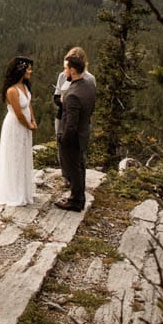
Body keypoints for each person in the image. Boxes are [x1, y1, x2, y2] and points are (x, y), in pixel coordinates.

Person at [0, 55, 38, 207]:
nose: (30, 71)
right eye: (28, 69)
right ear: (21, 71)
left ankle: (23, 190)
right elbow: (18, 114)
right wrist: (28, 124)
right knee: (14, 156)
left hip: (25, 125)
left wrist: (33, 119)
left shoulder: (24, 86)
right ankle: (14, 192)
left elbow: (28, 105)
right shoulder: (12, 91)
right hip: (15, 126)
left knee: (23, 155)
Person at [55, 51, 96, 211]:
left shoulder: (72, 95)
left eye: (66, 69)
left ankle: (76, 201)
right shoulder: (89, 85)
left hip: (73, 138)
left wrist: (63, 139)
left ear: (72, 70)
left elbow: (71, 124)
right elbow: (91, 107)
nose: (64, 72)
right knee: (80, 167)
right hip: (84, 132)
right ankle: (79, 197)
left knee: (74, 169)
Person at [51, 45, 95, 124]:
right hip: (62, 118)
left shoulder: (90, 79)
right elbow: (56, 98)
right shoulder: (62, 75)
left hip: (82, 121)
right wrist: (61, 101)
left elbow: (91, 103)